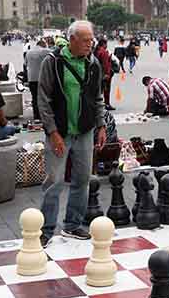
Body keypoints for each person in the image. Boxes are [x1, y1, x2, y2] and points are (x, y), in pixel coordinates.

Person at [38, 20, 106, 244]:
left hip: (84, 131)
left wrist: (101, 125)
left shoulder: (93, 63)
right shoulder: (53, 62)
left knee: (82, 179)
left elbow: (98, 97)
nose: (90, 44)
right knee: (54, 181)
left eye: (91, 40)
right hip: (60, 132)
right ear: (72, 39)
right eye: (86, 40)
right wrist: (53, 131)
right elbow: (44, 100)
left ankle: (72, 224)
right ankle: (45, 230)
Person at [25, 38, 50, 121]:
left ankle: (36, 116)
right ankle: (44, 116)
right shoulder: (45, 51)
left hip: (31, 78)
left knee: (34, 98)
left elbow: (25, 64)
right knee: (43, 98)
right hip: (41, 78)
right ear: (43, 45)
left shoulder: (28, 52)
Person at [95, 38, 115, 111]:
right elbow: (105, 64)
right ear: (104, 44)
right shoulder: (103, 52)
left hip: (98, 73)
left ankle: (98, 104)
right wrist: (107, 74)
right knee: (106, 90)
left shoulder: (97, 50)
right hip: (104, 74)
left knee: (99, 89)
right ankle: (106, 104)